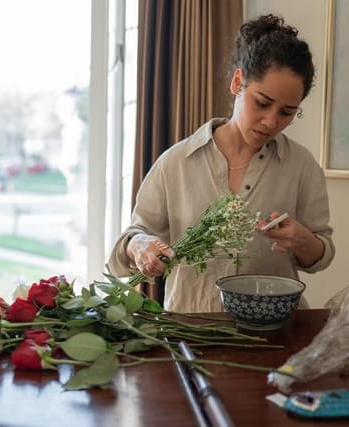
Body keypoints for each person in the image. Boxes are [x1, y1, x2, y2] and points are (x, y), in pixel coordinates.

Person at [107, 15, 335, 312]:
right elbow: (125, 248)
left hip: (278, 334)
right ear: (238, 82)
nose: (271, 122)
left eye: (287, 112)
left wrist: (303, 240)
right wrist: (138, 245)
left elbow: (323, 254)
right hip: (191, 332)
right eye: (262, 103)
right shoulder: (175, 163)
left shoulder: (302, 166)